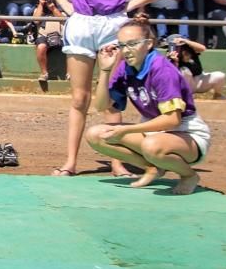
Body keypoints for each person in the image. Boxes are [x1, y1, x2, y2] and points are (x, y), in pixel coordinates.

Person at [41, 0, 170, 177]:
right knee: (79, 98)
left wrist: (133, 4)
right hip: (82, 24)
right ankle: (70, 162)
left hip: (113, 26)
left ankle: (117, 163)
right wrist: (66, 6)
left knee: (112, 97)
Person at [84, 17, 211, 195]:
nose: (126, 51)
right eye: (121, 45)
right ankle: (153, 168)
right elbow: (101, 105)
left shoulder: (162, 69)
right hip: (153, 131)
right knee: (96, 135)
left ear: (149, 44)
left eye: (132, 44)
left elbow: (172, 120)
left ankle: (189, 175)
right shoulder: (124, 68)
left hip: (188, 133)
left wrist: (127, 130)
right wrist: (105, 71)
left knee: (151, 146)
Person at [166, 33, 226, 100]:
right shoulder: (170, 54)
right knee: (184, 70)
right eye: (173, 45)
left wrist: (185, 41)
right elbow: (173, 75)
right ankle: (186, 96)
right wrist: (175, 61)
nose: (177, 47)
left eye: (179, 45)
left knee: (220, 75)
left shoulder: (189, 48)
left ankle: (217, 96)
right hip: (186, 84)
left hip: (200, 79)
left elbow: (203, 48)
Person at [32, 0, 65, 81]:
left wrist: (53, 8)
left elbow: (63, 19)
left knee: (71, 47)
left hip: (60, 36)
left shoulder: (60, 8)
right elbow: (36, 20)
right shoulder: (38, 9)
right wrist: (41, 5)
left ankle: (69, 73)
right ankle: (44, 73)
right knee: (41, 47)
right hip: (44, 37)